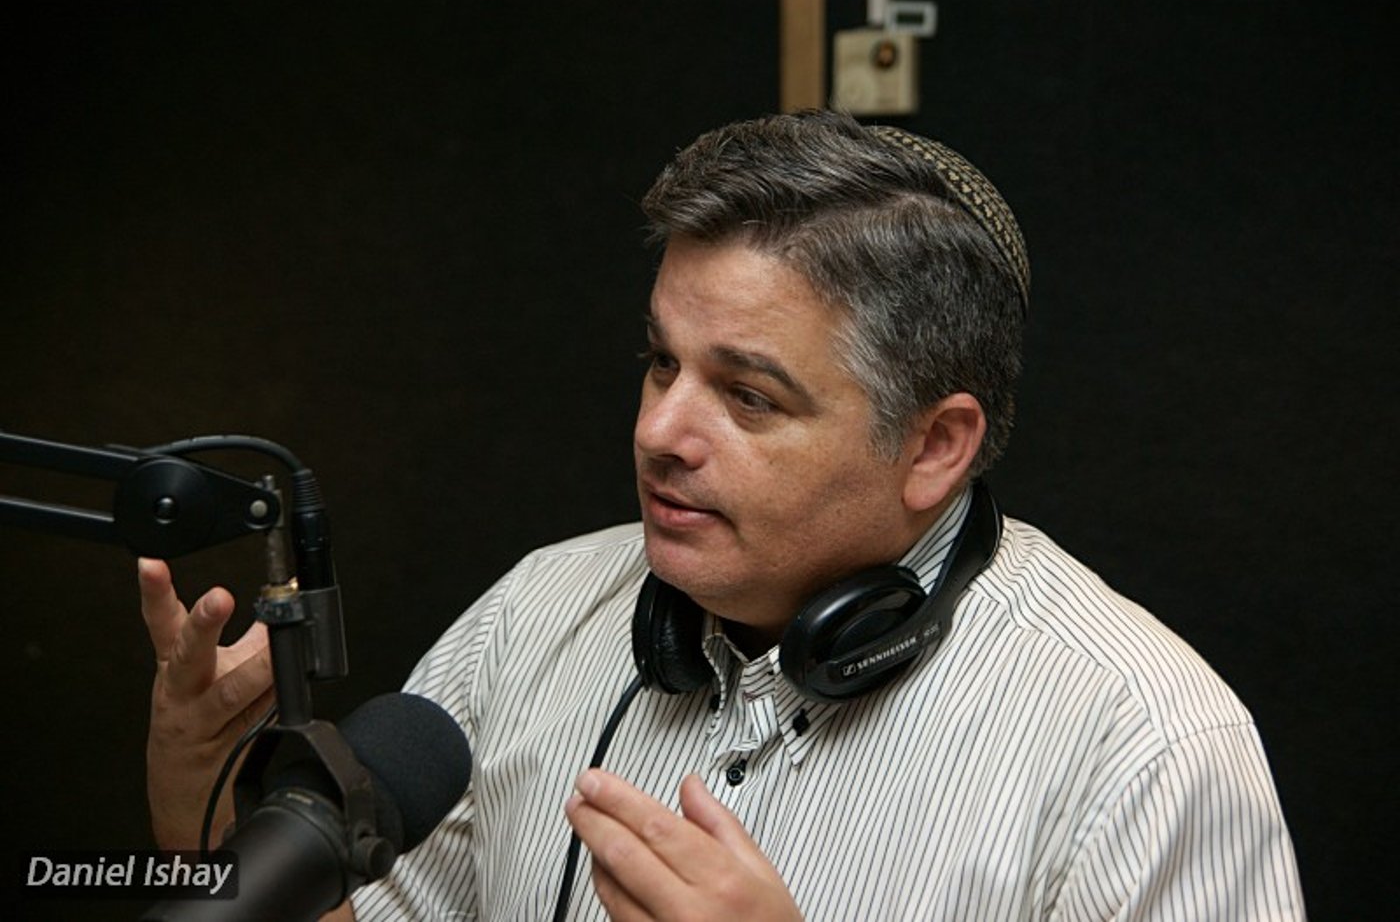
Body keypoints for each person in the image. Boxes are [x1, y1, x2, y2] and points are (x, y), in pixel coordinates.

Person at [139, 111, 1305, 920]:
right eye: (661, 363)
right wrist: (202, 793)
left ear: (933, 446)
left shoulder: (1144, 746)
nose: (659, 431)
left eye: (748, 396)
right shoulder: (533, 614)